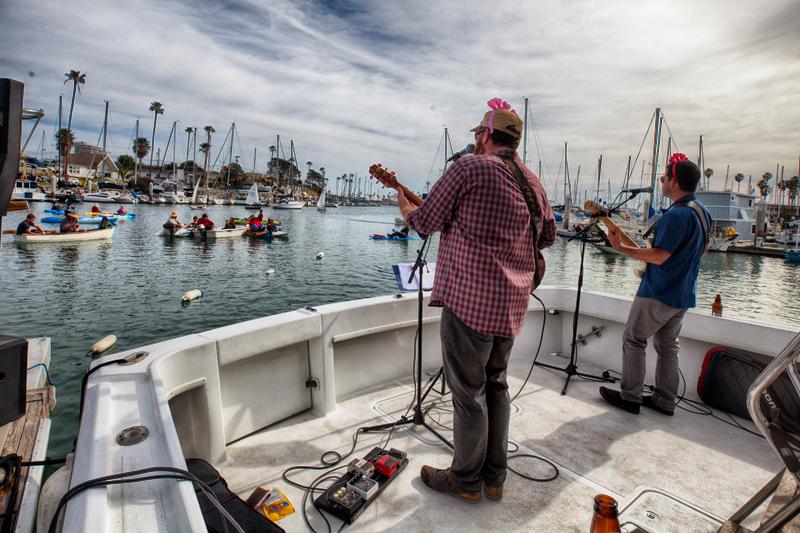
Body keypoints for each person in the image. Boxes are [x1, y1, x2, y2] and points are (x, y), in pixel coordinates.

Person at [397, 98, 556, 503]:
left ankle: (465, 481)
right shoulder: (532, 181)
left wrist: (404, 205)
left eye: (477, 134)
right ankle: (494, 478)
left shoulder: (468, 168)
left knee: (468, 394)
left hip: (471, 302)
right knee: (496, 385)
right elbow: (549, 236)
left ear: (485, 135)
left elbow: (424, 222)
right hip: (511, 304)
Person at [599, 153, 711, 416]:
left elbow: (660, 256)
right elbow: (703, 249)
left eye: (664, 177)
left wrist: (621, 247)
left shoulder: (677, 215)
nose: (661, 181)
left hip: (659, 291)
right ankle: (664, 399)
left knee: (634, 339)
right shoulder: (701, 212)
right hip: (683, 292)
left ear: (674, 182)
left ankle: (631, 396)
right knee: (667, 345)